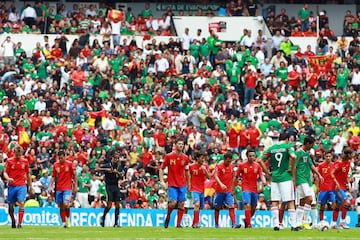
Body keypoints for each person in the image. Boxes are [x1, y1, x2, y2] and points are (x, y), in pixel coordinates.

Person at [259, 132, 298, 231]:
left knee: (275, 201)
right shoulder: (288, 147)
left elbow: (259, 160)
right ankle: (293, 225)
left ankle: (276, 225)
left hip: (275, 178)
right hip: (285, 177)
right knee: (290, 201)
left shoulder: (271, 148)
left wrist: (267, 172)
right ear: (287, 139)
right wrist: (291, 167)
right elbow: (293, 157)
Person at [159, 137, 190, 228]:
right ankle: (168, 217)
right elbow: (161, 168)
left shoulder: (185, 158)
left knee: (181, 203)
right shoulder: (169, 156)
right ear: (175, 145)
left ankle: (178, 225)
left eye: (182, 144)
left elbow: (187, 171)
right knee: (173, 203)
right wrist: (162, 181)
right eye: (179, 144)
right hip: (172, 184)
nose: (181, 145)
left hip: (182, 184)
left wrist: (188, 184)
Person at [294, 136, 323, 230]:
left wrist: (318, 174)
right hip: (300, 179)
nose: (312, 146)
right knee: (309, 199)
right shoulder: (298, 153)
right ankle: (305, 221)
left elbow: (311, 165)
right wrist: (294, 179)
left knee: (302, 201)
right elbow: (293, 166)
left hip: (307, 180)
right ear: (307, 144)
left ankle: (298, 223)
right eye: (312, 144)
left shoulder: (306, 153)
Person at [3, 146, 34, 228]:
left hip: (22, 185)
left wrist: (30, 187)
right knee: (10, 206)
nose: (18, 156)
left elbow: (28, 174)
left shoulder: (25, 161)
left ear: (21, 153)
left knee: (21, 202)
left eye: (19, 154)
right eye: (16, 154)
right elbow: (5, 173)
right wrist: (8, 178)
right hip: (12, 186)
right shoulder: (9, 161)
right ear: (14, 153)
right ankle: (13, 219)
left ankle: (19, 223)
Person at [236, 149, 266, 228]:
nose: (252, 157)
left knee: (253, 207)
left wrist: (264, 181)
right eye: (250, 156)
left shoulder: (257, 166)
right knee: (247, 205)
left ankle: (246, 220)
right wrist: (233, 187)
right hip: (245, 187)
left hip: (254, 188)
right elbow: (236, 176)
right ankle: (249, 225)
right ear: (247, 156)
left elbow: (261, 175)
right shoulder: (242, 165)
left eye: (253, 156)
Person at [48, 149, 78, 228]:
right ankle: (64, 222)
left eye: (62, 158)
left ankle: (68, 220)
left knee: (66, 204)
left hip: (67, 188)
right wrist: (50, 186)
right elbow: (53, 176)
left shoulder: (70, 164)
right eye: (59, 158)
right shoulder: (55, 165)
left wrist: (75, 186)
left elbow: (75, 175)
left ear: (65, 157)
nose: (60, 159)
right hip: (58, 188)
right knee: (61, 206)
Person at [213, 151, 240, 228]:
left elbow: (233, 178)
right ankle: (216, 224)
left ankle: (234, 224)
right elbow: (216, 176)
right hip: (219, 190)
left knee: (231, 206)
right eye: (228, 161)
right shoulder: (219, 166)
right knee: (217, 207)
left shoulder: (231, 167)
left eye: (230, 161)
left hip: (228, 190)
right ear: (224, 159)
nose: (229, 162)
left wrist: (233, 189)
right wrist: (221, 184)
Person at [99, 152, 124, 227]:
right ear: (112, 158)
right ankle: (103, 218)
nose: (116, 160)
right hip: (109, 186)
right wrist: (107, 170)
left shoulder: (119, 167)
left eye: (117, 158)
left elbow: (121, 177)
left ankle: (116, 223)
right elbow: (98, 169)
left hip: (116, 186)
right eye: (115, 158)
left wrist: (120, 174)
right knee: (109, 205)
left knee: (118, 204)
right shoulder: (108, 165)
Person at [330, 147, 353, 229]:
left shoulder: (348, 163)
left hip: (343, 186)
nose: (353, 155)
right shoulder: (339, 163)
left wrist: (349, 185)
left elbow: (345, 175)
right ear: (348, 154)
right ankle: (342, 222)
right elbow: (332, 173)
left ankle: (333, 224)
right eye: (352, 154)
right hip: (337, 187)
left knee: (338, 205)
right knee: (347, 202)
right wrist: (336, 183)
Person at [188, 151, 211, 228]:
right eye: (202, 158)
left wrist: (205, 170)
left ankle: (194, 223)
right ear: (197, 158)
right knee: (196, 204)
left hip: (202, 189)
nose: (203, 159)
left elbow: (209, 177)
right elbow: (187, 177)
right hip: (194, 189)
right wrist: (188, 186)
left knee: (200, 206)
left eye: (204, 158)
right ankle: (196, 223)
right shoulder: (191, 167)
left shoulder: (205, 166)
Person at [317, 151, 336, 223]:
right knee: (322, 206)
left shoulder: (334, 165)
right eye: (327, 156)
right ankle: (321, 221)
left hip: (332, 189)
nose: (328, 158)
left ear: (332, 157)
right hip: (323, 189)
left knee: (334, 205)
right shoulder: (320, 165)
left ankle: (333, 222)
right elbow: (318, 177)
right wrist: (318, 187)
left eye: (329, 156)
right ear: (324, 157)